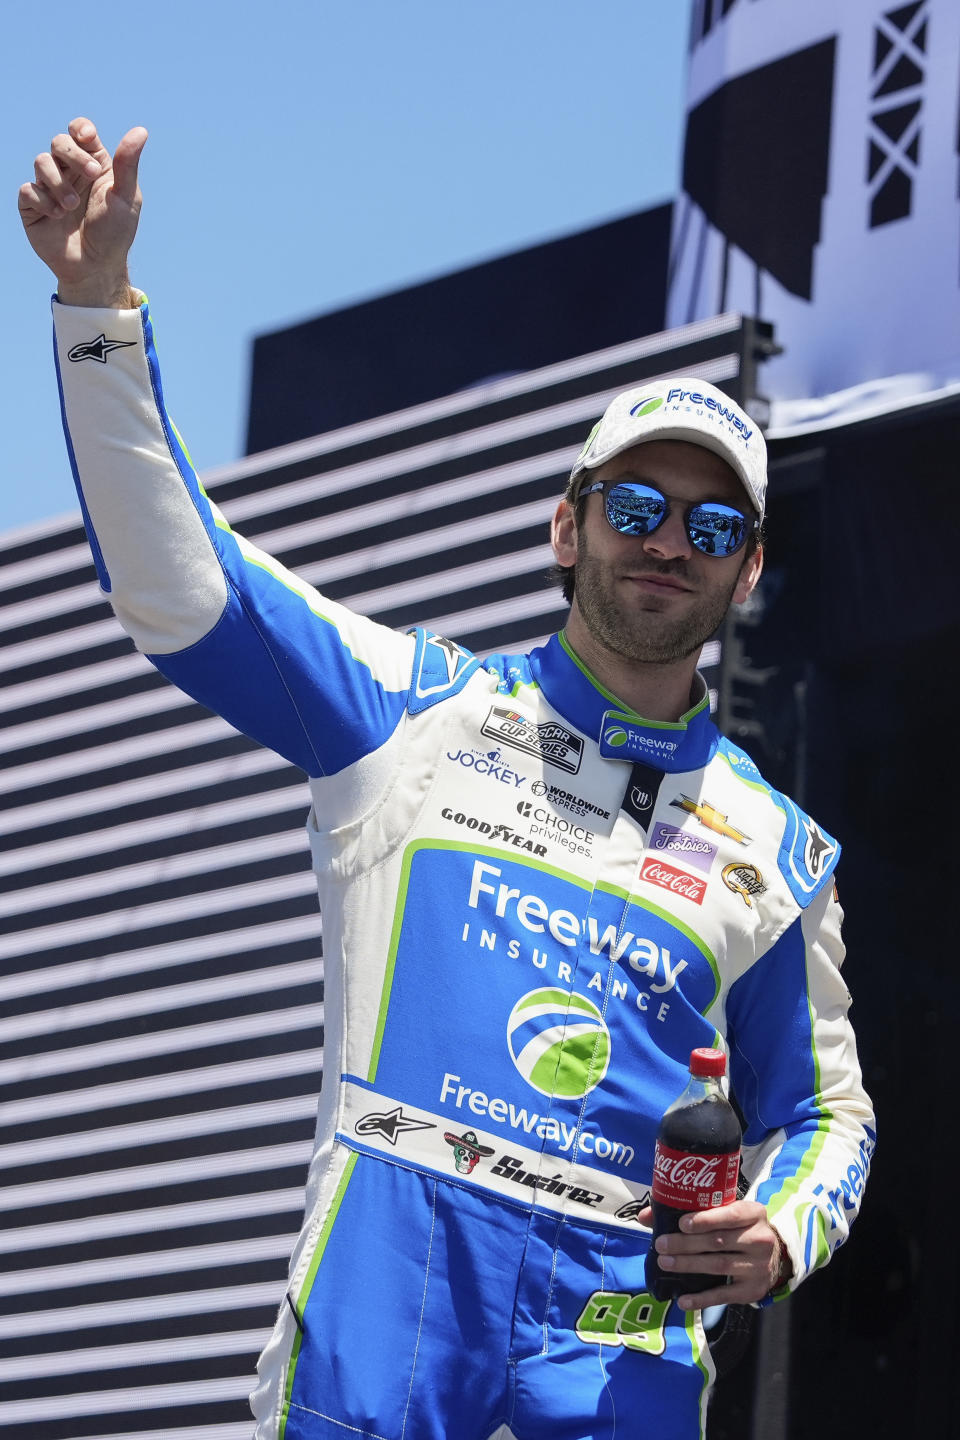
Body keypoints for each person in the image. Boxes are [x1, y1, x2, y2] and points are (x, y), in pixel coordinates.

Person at [19, 119, 875, 1440]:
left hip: (622, 1331)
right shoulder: (414, 704)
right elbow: (179, 590)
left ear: (747, 569)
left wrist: (782, 1234)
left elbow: (828, 1118)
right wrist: (96, 313)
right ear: (566, 523)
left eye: (712, 526)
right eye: (634, 506)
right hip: (388, 1292)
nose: (668, 545)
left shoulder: (775, 846)